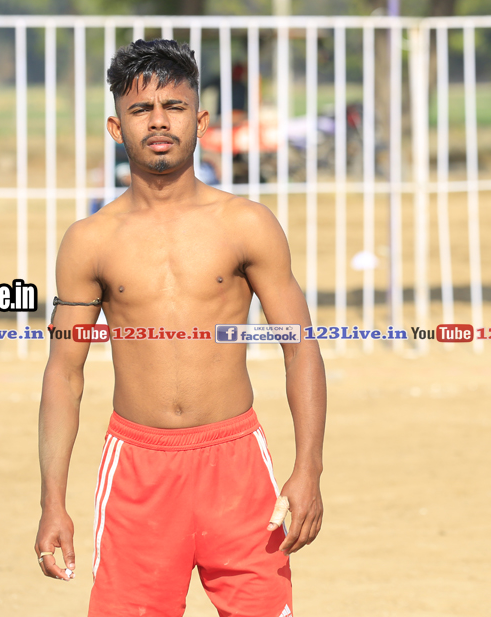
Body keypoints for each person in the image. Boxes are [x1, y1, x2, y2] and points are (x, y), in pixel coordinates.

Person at [34, 39, 326, 617]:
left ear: (201, 121)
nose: (159, 122)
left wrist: (308, 470)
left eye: (174, 106)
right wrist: (52, 502)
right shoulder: (89, 240)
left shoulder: (246, 224)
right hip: (137, 471)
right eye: (141, 110)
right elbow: (64, 373)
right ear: (117, 127)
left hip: (236, 465)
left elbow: (301, 350)